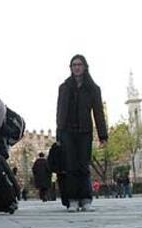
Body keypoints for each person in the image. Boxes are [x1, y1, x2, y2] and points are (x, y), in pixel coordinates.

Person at [56, 54, 108, 212]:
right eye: (74, 65)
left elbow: (98, 112)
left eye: (79, 64)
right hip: (67, 131)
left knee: (83, 165)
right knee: (71, 165)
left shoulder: (93, 89)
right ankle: (72, 199)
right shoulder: (64, 87)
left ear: (85, 67)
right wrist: (59, 132)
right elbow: (60, 111)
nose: (77, 67)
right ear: (71, 68)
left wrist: (102, 135)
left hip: (85, 131)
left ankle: (85, 198)